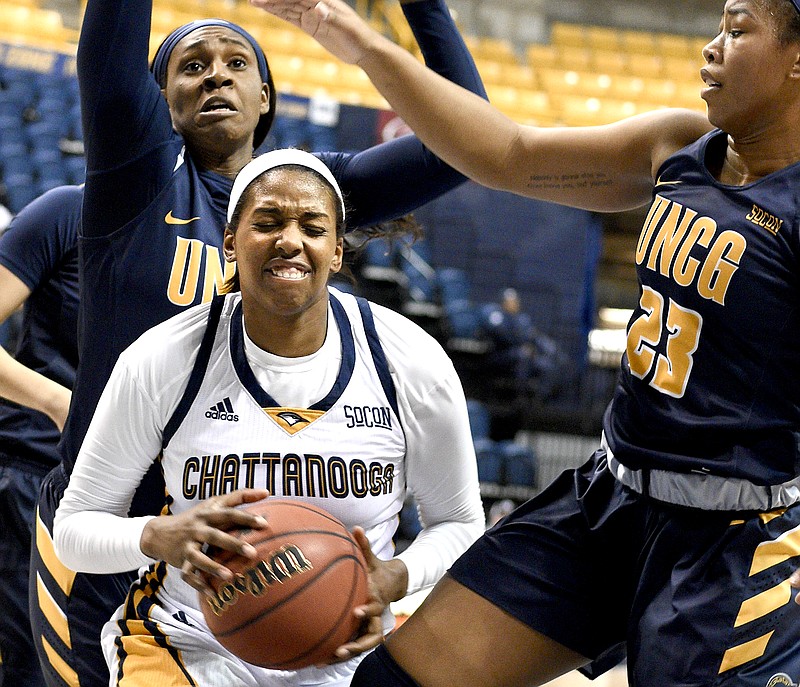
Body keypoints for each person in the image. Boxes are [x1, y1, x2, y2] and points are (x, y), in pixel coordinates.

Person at [253, 0, 800, 686]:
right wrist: (361, 43)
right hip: (611, 498)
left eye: (739, 29)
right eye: (717, 26)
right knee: (391, 680)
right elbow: (506, 152)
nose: (712, 47)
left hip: (733, 541)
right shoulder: (679, 144)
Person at [29, 1, 488, 685]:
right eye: (192, 66)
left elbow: (465, 136)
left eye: (237, 63)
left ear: (266, 95)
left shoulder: (300, 197)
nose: (216, 76)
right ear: (159, 100)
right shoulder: (137, 177)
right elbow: (107, 60)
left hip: (260, 542)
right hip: (115, 530)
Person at [0, 185, 81, 687]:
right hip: (35, 475)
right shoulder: (67, 211)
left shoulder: (221, 236)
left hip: (134, 502)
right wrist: (57, 401)